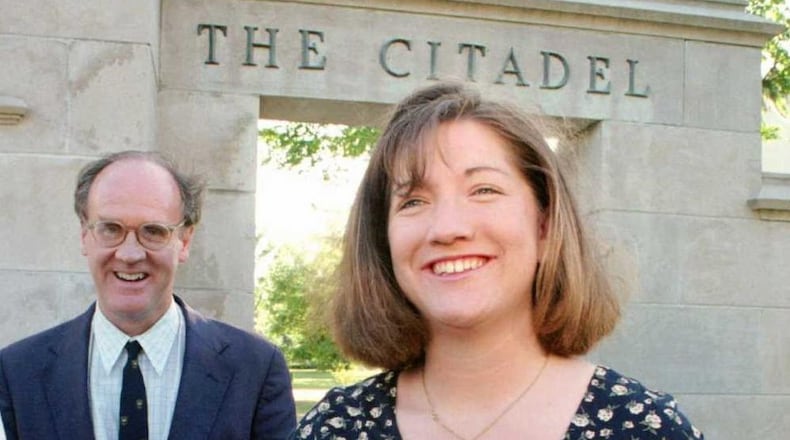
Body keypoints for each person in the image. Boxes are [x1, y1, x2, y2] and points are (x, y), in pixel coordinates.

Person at [291, 83, 704, 439]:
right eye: (414, 200)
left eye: (484, 189)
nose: (447, 228)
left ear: (545, 227)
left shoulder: (645, 430)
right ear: (383, 240)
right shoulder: (335, 428)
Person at [0, 151, 296, 439]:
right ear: (84, 235)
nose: (129, 254)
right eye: (110, 229)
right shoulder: (18, 373)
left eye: (153, 231)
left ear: (184, 240)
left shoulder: (255, 369)